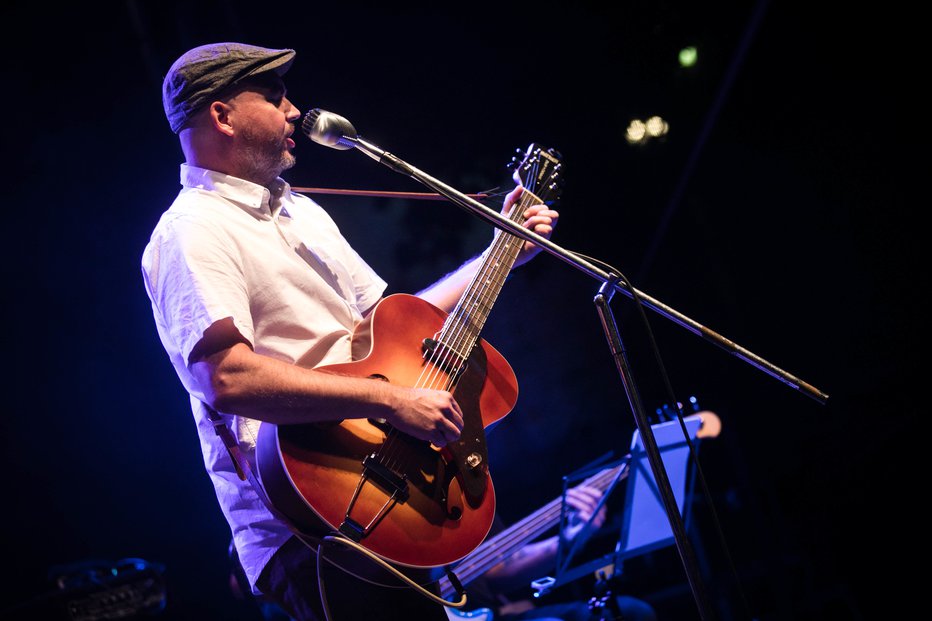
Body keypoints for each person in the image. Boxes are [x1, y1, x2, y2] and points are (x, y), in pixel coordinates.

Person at [141, 41, 559, 621]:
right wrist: (390, 400)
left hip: (382, 485)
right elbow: (226, 377)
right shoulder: (191, 230)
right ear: (221, 114)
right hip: (305, 519)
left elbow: (389, 327)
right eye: (274, 95)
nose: (294, 111)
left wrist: (499, 256)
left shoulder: (303, 213)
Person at [449, 484, 658, 621]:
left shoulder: (462, 477)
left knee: (634, 614)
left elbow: (496, 570)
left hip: (487, 614)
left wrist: (566, 540)